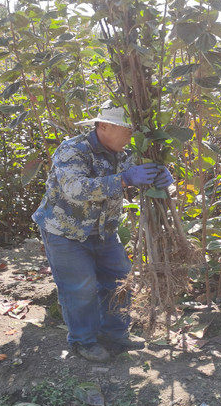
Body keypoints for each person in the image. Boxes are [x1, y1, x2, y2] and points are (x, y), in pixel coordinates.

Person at [32, 104, 173, 362]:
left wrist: (160, 175)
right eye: (127, 129)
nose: (131, 135)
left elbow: (140, 171)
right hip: (65, 232)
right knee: (80, 288)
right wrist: (123, 179)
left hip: (104, 231)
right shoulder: (73, 150)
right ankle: (83, 341)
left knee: (119, 280)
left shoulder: (123, 153)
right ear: (103, 126)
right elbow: (75, 189)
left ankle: (115, 335)